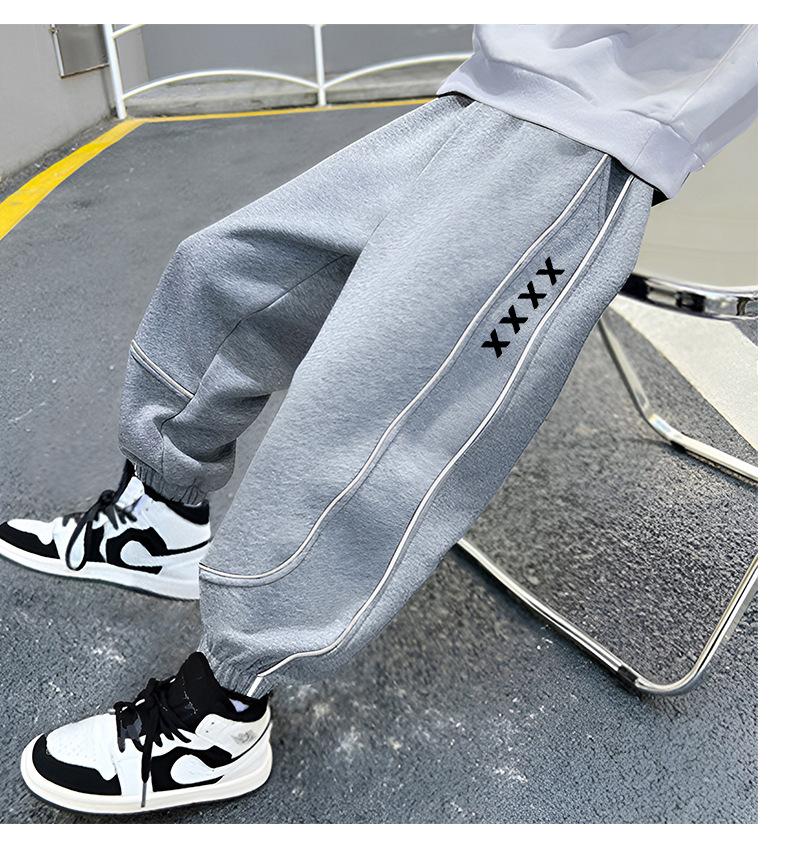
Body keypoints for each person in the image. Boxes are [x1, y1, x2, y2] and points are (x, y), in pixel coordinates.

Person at [2, 24, 756, 815]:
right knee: (223, 270)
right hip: (487, 93)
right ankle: (159, 517)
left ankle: (221, 716)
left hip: (594, 138)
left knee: (371, 414)